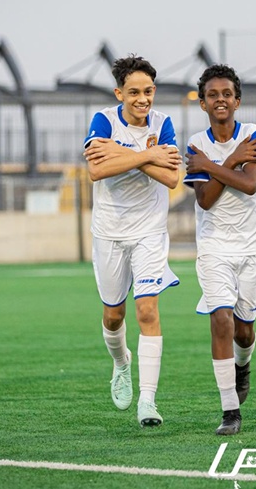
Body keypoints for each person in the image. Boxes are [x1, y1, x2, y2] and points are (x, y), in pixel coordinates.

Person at [83, 55, 182, 428]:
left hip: (149, 231)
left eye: (149, 92)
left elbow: (171, 179)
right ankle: (121, 362)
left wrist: (123, 154)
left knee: (147, 311)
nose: (143, 100)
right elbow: (96, 170)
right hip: (109, 231)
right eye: (135, 92)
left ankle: (148, 401)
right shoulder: (103, 120)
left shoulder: (163, 123)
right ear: (119, 94)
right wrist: (149, 156)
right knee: (113, 315)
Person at [184, 64, 256, 435]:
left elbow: (250, 184)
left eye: (226, 94)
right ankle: (230, 411)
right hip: (214, 245)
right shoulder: (196, 143)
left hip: (253, 244)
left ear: (237, 101)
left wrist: (217, 164)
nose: (220, 99)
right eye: (212, 95)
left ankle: (243, 364)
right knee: (219, 318)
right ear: (202, 103)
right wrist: (229, 160)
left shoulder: (253, 134)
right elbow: (205, 200)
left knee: (244, 331)